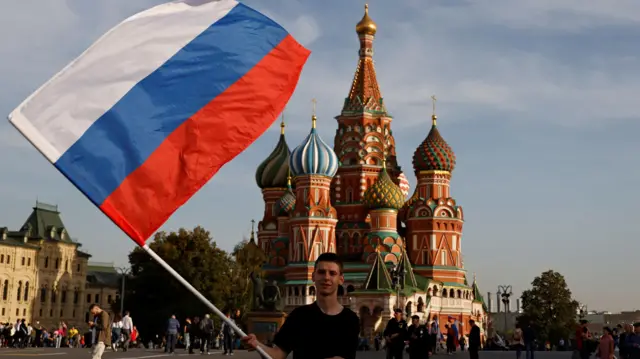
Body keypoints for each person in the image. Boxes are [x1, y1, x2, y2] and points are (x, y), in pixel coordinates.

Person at [241, 252, 360, 359]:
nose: (326, 277)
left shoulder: (350, 319)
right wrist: (257, 345)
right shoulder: (299, 316)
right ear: (313, 276)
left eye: (332, 273)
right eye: (321, 272)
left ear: (341, 279)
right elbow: (277, 354)